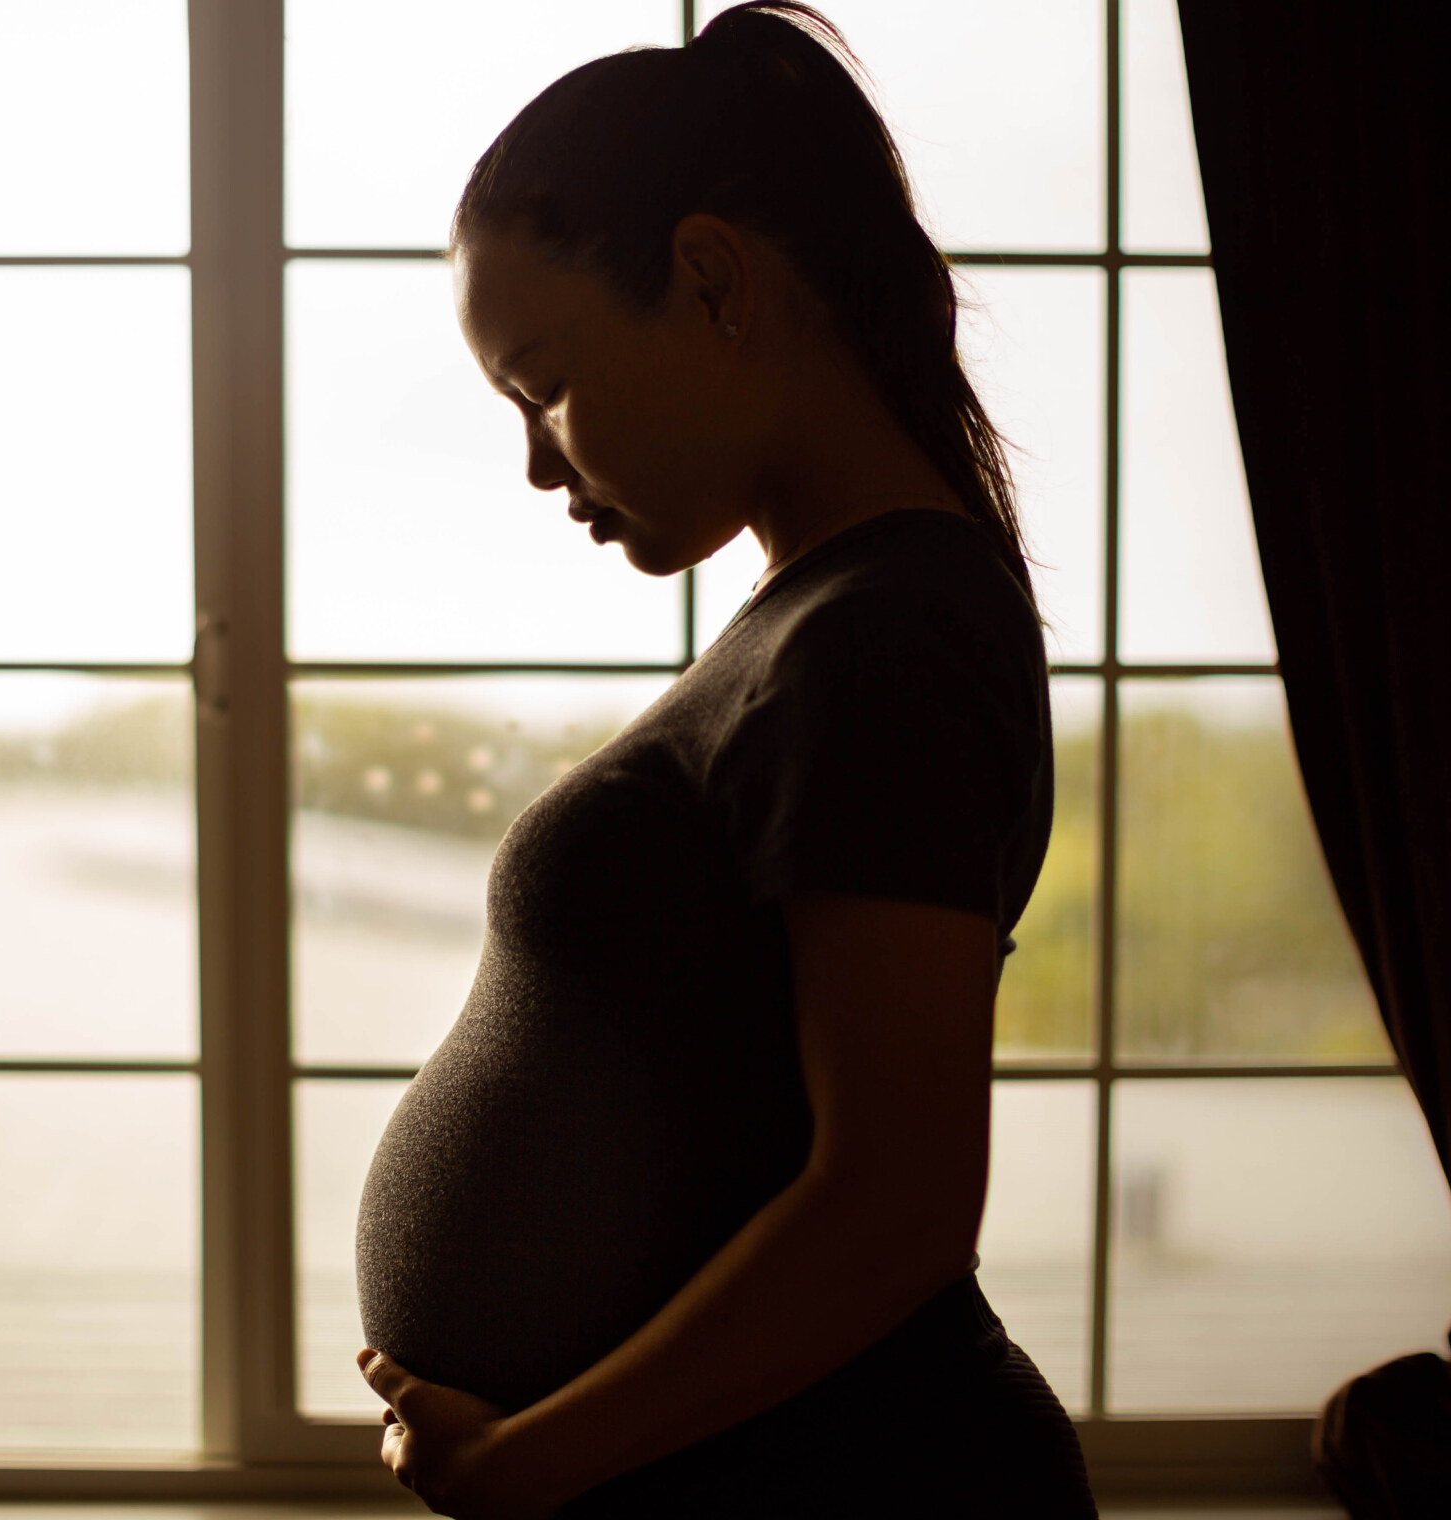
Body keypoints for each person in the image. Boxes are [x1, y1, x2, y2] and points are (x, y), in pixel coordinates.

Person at [349, 5, 1097, 1516]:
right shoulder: (827, 611)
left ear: (710, 278)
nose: (539, 465)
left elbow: (894, 1208)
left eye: (544, 384)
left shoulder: (886, 636)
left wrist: (519, 1464)